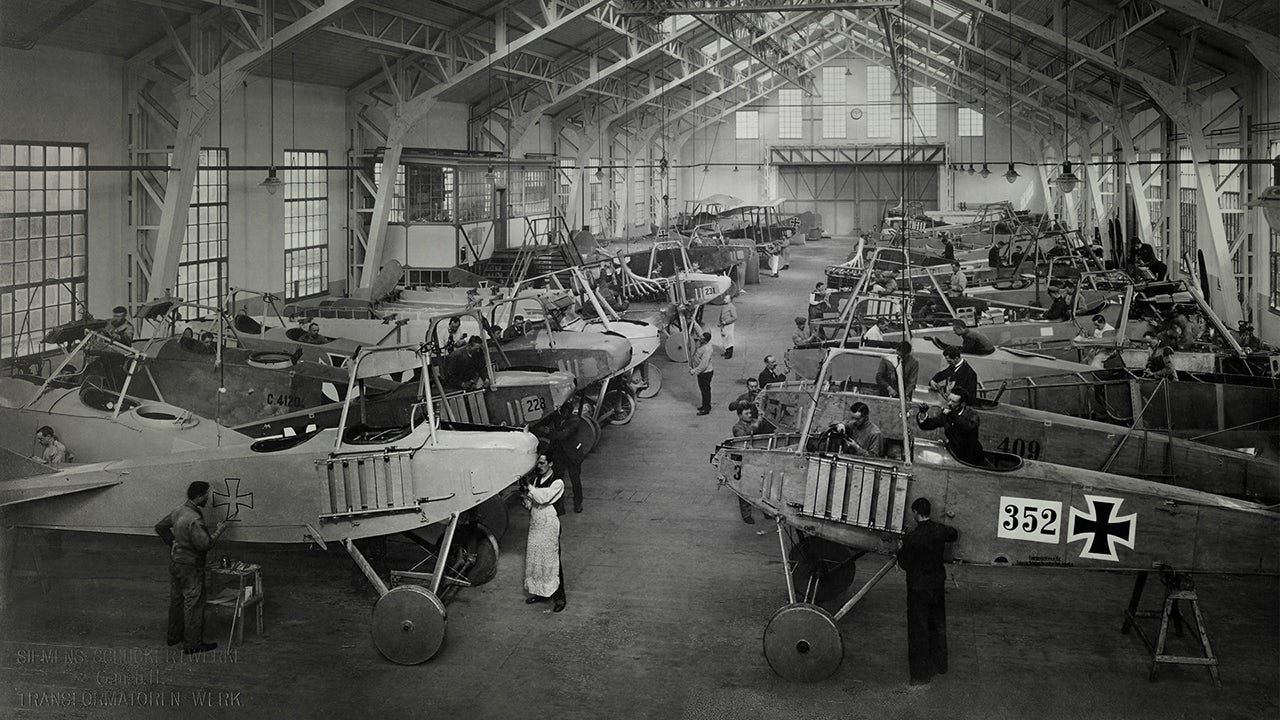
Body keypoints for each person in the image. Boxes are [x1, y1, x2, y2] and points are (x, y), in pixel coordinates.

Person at [154, 481, 229, 655]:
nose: (208, 499)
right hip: (191, 566)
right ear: (200, 495)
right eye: (207, 495)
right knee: (193, 604)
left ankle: (173, 637)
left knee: (176, 601)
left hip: (176, 563)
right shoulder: (194, 518)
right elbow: (205, 544)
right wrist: (219, 531)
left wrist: (172, 542)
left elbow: (160, 527)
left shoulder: (179, 510)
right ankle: (193, 644)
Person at [896, 497, 959, 686]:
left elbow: (905, 564)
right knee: (937, 625)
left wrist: (900, 549)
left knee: (918, 630)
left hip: (918, 589)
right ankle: (940, 665)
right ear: (929, 512)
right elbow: (954, 534)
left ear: (915, 512)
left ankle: (921, 675)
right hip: (937, 586)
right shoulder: (940, 530)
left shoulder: (912, 537)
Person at [522, 454, 566, 612]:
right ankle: (541, 593)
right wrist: (526, 499)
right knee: (536, 558)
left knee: (552, 561)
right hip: (536, 523)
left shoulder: (557, 482)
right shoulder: (535, 480)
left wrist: (529, 489)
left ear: (551, 463)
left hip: (549, 524)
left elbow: (543, 498)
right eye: (538, 463)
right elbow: (532, 502)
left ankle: (560, 598)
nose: (539, 466)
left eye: (542, 463)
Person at [915, 388, 984, 465]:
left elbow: (969, 427)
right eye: (949, 400)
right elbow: (927, 425)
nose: (949, 403)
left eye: (953, 402)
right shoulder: (948, 414)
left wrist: (952, 415)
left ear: (962, 404)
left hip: (972, 458)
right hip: (953, 455)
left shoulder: (971, 415)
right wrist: (922, 413)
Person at [545, 412, 588, 514]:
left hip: (572, 455)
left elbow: (563, 435)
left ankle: (578, 503)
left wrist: (548, 431)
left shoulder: (574, 420)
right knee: (559, 481)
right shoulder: (556, 416)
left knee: (575, 481)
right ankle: (560, 507)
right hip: (560, 455)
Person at [731, 406, 763, 524]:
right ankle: (746, 514)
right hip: (743, 459)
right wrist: (758, 422)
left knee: (760, 484)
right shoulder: (737, 427)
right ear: (740, 415)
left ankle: (765, 510)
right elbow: (744, 436)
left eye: (750, 413)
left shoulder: (754, 422)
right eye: (746, 413)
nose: (750, 415)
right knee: (744, 487)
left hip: (755, 457)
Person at [689, 331, 714, 416]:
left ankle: (706, 409)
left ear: (706, 341)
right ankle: (705, 405)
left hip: (705, 373)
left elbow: (703, 365)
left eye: (702, 339)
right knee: (704, 390)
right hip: (702, 373)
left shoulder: (707, 349)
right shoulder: (702, 344)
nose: (700, 339)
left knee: (705, 391)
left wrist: (694, 371)